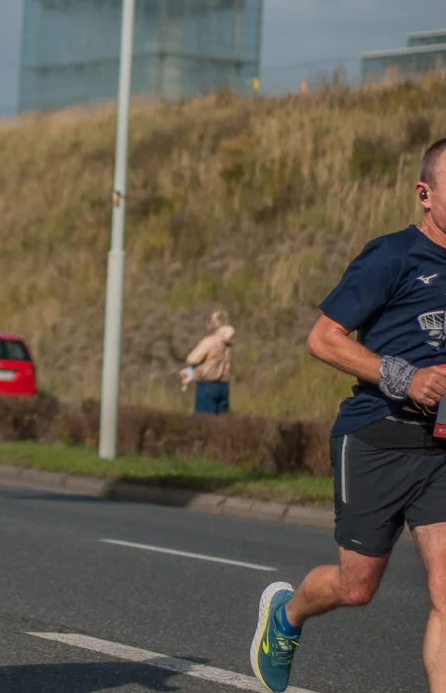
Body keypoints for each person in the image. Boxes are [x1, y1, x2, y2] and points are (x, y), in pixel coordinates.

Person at [251, 138, 446, 692]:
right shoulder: (392, 256)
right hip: (376, 438)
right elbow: (324, 339)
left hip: (441, 449)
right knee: (357, 586)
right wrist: (408, 378)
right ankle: (287, 614)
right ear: (425, 194)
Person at [179, 309, 235, 413]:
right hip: (224, 386)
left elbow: (192, 359)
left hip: (207, 385)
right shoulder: (228, 344)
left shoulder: (210, 341)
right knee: (222, 420)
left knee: (204, 420)